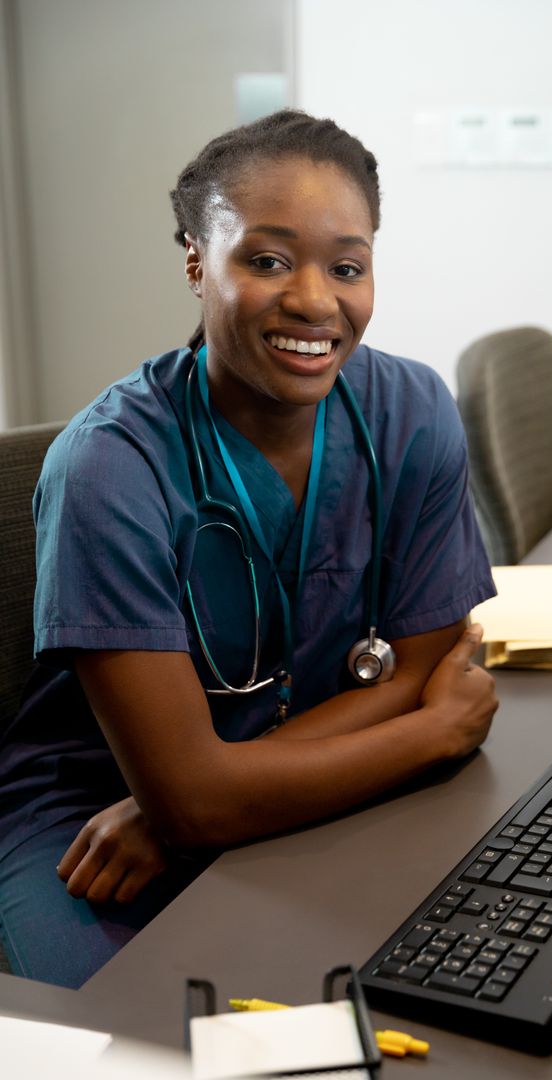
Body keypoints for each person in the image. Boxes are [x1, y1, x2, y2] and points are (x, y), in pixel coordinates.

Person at [0, 109, 498, 989]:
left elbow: (425, 665)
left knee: (446, 980)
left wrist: (211, 796)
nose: (314, 300)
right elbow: (194, 795)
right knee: (136, 1034)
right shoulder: (110, 468)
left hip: (229, 794)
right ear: (196, 259)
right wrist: (431, 735)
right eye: (265, 260)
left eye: (347, 266)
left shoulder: (413, 412)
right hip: (93, 814)